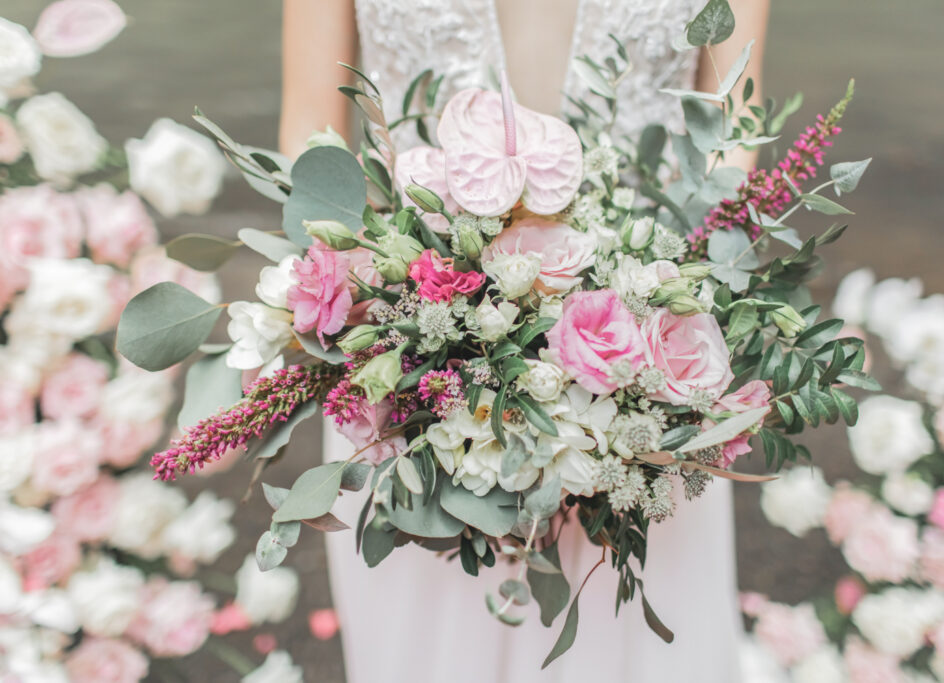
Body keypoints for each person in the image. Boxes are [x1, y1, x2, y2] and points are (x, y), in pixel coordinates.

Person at [279, 2, 770, 681]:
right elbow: (311, 129)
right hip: (414, 382)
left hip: (647, 378)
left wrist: (656, 318)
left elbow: (730, 131)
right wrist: (398, 317)